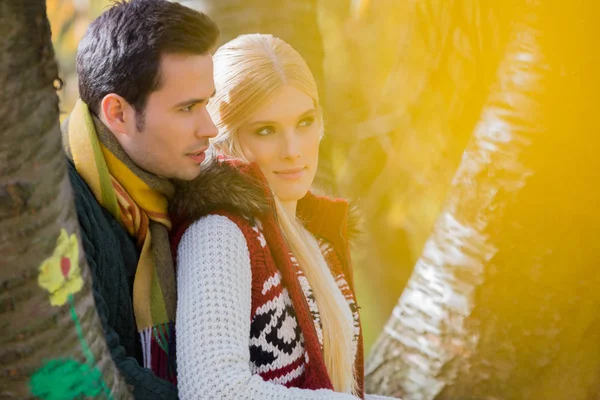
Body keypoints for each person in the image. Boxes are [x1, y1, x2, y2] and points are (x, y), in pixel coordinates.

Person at [170, 33, 398, 400]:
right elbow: (213, 391)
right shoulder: (219, 232)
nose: (293, 150)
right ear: (227, 137)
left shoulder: (317, 235)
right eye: (266, 131)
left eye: (305, 122)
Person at [63, 0, 219, 397]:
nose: (210, 127)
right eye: (187, 108)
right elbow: (94, 367)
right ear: (117, 114)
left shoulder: (182, 190)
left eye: (208, 102)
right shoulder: (56, 206)